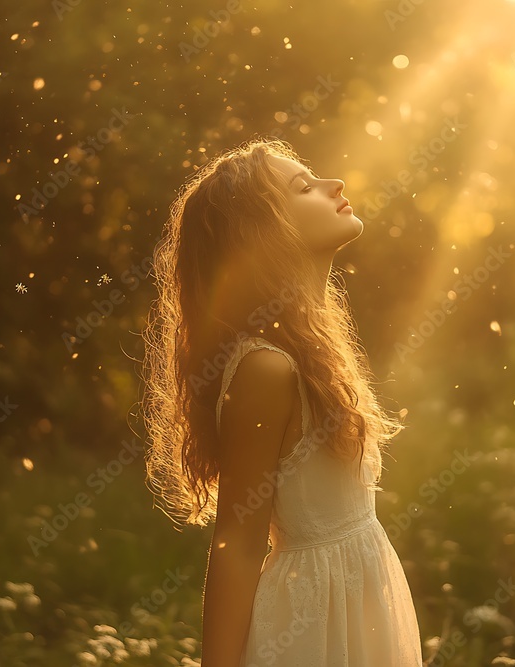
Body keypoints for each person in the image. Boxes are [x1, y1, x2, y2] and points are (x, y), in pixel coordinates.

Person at [140, 137, 425, 666]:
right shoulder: (267, 370)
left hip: (355, 610)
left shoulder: (313, 346)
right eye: (305, 187)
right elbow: (238, 545)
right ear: (264, 232)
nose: (334, 183)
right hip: (310, 631)